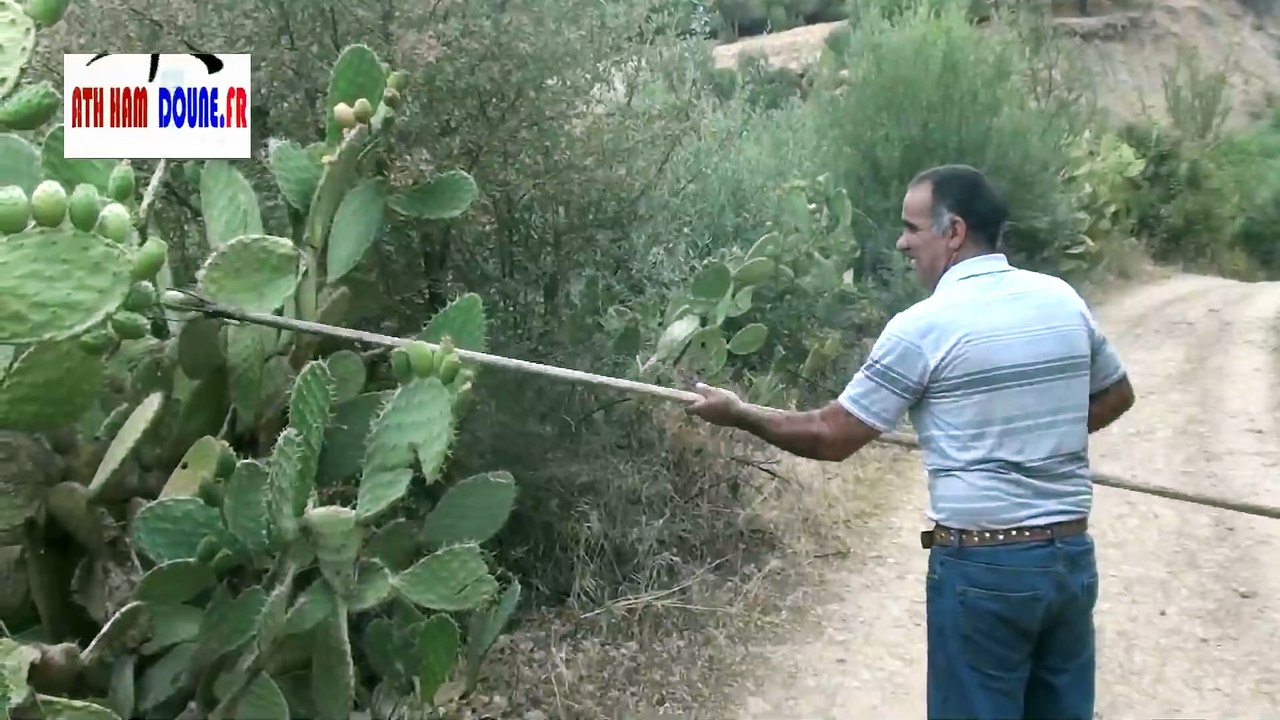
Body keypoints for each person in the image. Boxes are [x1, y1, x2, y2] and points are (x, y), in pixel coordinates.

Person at [683, 164, 1136, 720]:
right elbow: (1117, 394)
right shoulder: (1061, 299)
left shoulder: (925, 325)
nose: (901, 242)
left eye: (911, 228)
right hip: (1069, 560)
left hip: (984, 570)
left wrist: (740, 414)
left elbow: (831, 435)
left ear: (954, 232)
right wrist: (1034, 434)